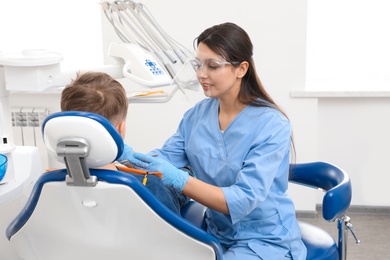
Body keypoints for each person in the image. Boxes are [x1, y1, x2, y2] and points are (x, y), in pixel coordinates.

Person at [122, 22, 307, 259]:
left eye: (212, 66)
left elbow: (244, 198)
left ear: (241, 69)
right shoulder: (196, 117)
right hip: (216, 231)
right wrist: (123, 155)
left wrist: (180, 179)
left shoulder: (272, 124)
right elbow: (164, 159)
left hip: (264, 238)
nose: (201, 74)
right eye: (198, 64)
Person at [60, 71, 190, 215]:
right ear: (120, 129)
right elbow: (174, 234)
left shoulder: (49, 185)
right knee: (181, 180)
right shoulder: (149, 186)